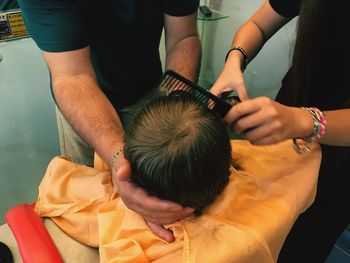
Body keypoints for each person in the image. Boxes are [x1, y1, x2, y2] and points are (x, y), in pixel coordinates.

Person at [19, 94, 320, 262]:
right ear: (226, 160)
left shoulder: (118, 220)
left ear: (131, 171)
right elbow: (304, 155)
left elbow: (57, 192)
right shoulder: (264, 200)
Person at [15, 0, 201, 241]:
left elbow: (183, 38)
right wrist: (118, 160)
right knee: (86, 211)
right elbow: (73, 76)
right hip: (80, 102)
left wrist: (175, 109)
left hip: (150, 94)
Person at [210, 0, 350, 262]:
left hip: (339, 166)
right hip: (286, 132)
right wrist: (235, 58)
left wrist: (304, 121)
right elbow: (258, 25)